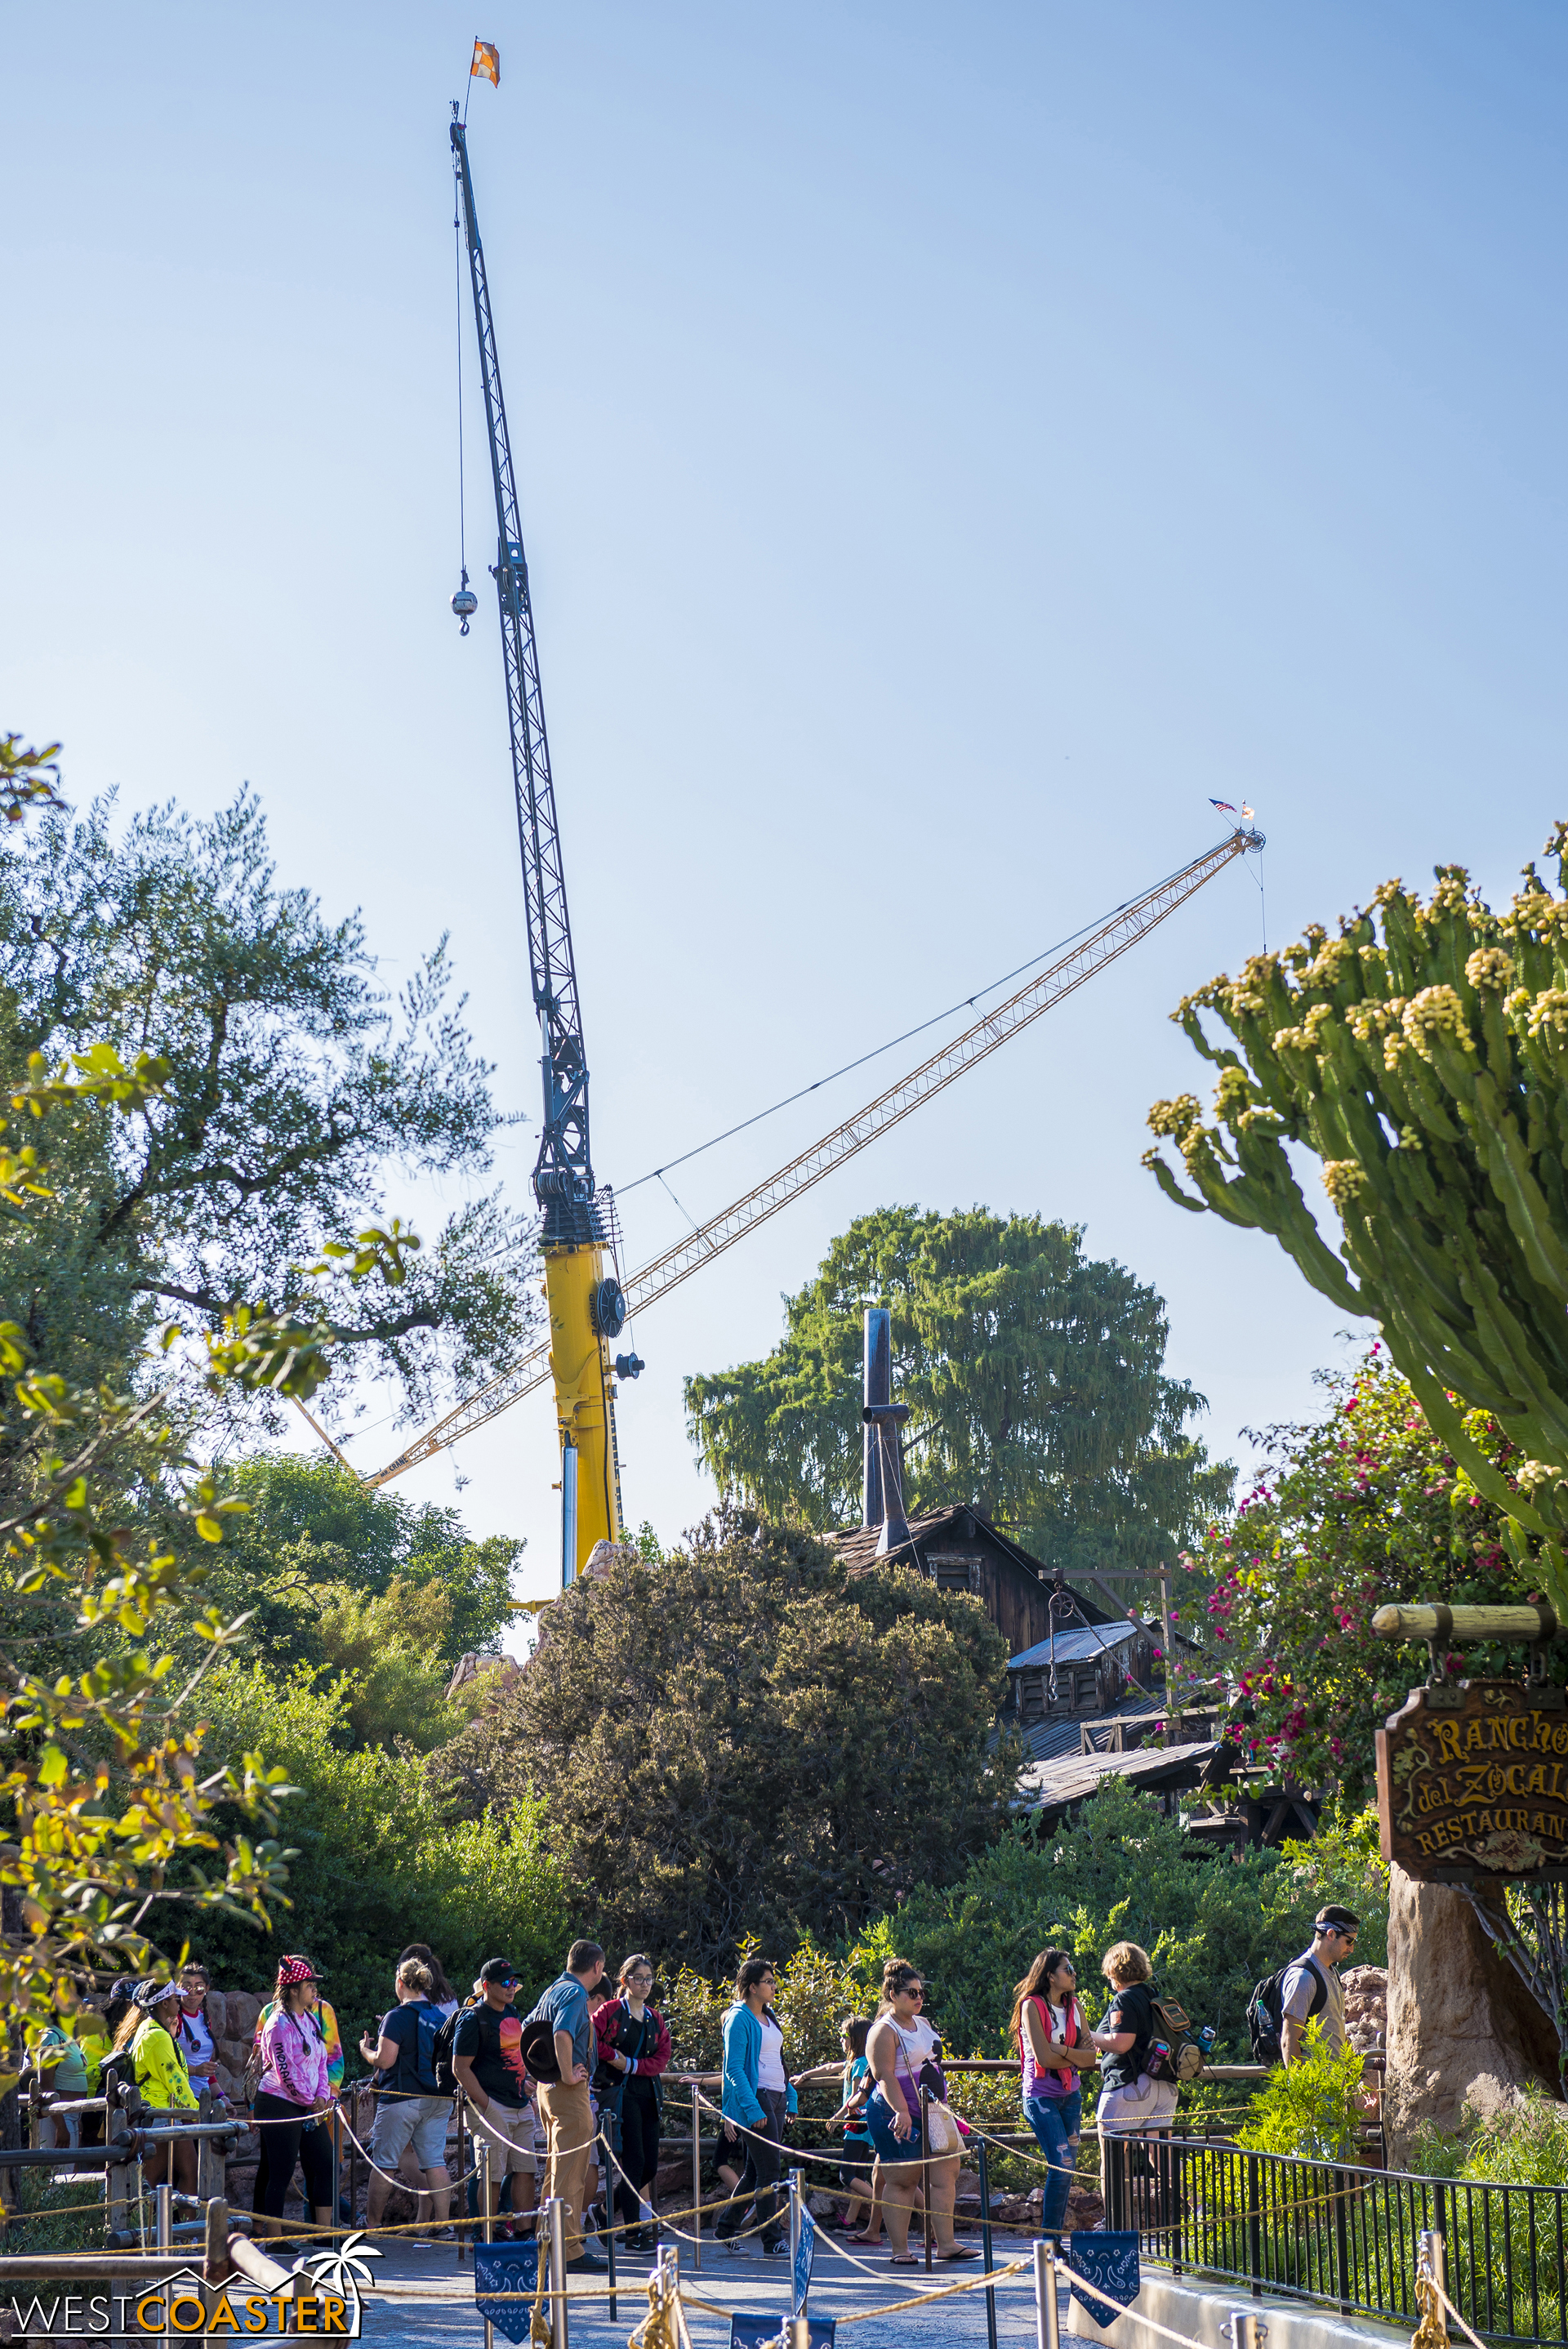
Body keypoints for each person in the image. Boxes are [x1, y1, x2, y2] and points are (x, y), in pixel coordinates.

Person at [863, 1959, 969, 2266]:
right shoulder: (883, 2031)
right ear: (893, 1995)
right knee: (902, 2180)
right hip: (896, 2112)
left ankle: (946, 2244)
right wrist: (902, 2112)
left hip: (933, 2110)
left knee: (946, 2173)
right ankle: (900, 2250)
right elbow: (883, 2075)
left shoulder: (922, 2024)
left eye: (921, 1992)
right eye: (911, 1993)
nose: (919, 1998)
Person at [525, 1940, 608, 2273]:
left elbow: (527, 2028)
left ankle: (546, 2239)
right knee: (571, 2171)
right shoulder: (575, 1994)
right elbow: (561, 2033)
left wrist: (540, 2074)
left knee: (556, 2169)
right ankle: (568, 2248)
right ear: (597, 1967)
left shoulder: (554, 1989)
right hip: (566, 2090)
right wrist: (568, 2075)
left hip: (548, 2090)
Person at [359, 1957, 452, 2243]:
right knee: (435, 2161)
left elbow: (385, 2060)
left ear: (401, 1982)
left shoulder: (396, 2016)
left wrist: (365, 2050)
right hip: (438, 2099)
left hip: (402, 2097)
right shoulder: (440, 2016)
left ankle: (372, 2225)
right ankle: (444, 2225)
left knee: (384, 2162)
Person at [715, 1958, 798, 2259]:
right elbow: (734, 2069)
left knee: (753, 2172)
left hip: (776, 2097)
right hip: (758, 2098)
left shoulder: (769, 2015)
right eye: (768, 1981)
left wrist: (791, 2097)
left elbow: (779, 2060)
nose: (774, 1986)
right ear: (752, 1986)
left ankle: (725, 2229)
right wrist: (752, 2109)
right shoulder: (738, 2019)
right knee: (770, 2171)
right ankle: (771, 2241)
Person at [252, 1963, 345, 2230]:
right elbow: (286, 2072)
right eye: (309, 1984)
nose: (314, 1988)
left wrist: (322, 2094)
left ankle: (324, 2233)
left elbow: (322, 2061)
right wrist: (310, 2100)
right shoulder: (278, 2024)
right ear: (293, 1990)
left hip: (309, 2105)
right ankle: (274, 2238)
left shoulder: (312, 2019)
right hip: (278, 2102)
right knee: (280, 2172)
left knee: (326, 2164)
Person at [1013, 1949, 1097, 2239]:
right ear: (1050, 1976)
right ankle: (1050, 2242)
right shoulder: (1031, 2006)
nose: (1073, 1974)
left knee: (1068, 2169)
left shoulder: (1076, 2006)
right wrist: (1073, 2055)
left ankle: (1054, 2240)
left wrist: (1061, 2050)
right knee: (1060, 2166)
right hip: (1041, 2096)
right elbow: (1044, 2060)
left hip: (1071, 2095)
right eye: (1067, 1969)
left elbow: (1091, 2060)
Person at [454, 1959, 537, 2243]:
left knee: (526, 2169)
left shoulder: (512, 2012)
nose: (511, 1987)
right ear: (487, 1986)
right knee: (491, 2173)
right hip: (489, 2106)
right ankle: (486, 2234)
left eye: (514, 1982)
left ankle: (525, 2231)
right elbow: (460, 2068)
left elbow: (516, 2057)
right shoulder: (472, 2018)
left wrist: (526, 2086)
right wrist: (487, 2105)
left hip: (519, 2103)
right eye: (505, 1983)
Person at [595, 1953, 671, 2252]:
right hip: (621, 2094)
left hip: (648, 2093)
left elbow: (662, 2056)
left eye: (648, 1978)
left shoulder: (655, 2017)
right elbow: (592, 2038)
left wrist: (632, 2065)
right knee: (634, 2162)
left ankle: (603, 2212)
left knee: (650, 2166)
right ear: (625, 1981)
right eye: (638, 1978)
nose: (644, 1984)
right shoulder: (610, 2011)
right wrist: (615, 2059)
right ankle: (632, 2234)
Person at [113, 1981, 198, 2200]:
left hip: (162, 2116)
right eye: (175, 2000)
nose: (179, 2004)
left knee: (188, 2172)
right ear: (164, 2003)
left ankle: (182, 2232)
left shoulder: (151, 2029)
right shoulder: (157, 2037)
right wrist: (198, 2111)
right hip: (160, 2117)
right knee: (148, 2184)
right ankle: (144, 2230)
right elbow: (176, 2080)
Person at [1281, 1909, 1360, 2066]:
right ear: (1331, 1934)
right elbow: (1289, 2040)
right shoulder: (1304, 1977)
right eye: (1349, 1942)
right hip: (1313, 2087)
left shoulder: (1333, 1973)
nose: (1351, 1949)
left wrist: (1360, 2076)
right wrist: (1301, 2087)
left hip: (1333, 2086)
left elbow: (1338, 2034)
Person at [822, 2018, 877, 2238]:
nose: (841, 2040)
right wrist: (805, 2075)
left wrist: (836, 2118)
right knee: (859, 2175)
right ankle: (850, 2222)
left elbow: (856, 2098)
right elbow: (829, 2067)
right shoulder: (860, 2061)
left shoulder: (858, 2065)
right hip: (866, 2128)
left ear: (855, 2039)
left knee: (847, 2175)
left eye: (844, 2036)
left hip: (856, 2127)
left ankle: (882, 2203)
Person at [173, 1963, 224, 2106]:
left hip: (203, 2099)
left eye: (199, 1987)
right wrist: (195, 2070)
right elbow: (166, 2064)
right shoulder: (173, 2020)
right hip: (180, 2099)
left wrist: (222, 2097)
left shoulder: (205, 2018)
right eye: (186, 1987)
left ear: (207, 1989)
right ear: (178, 1988)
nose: (193, 1993)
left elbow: (206, 2071)